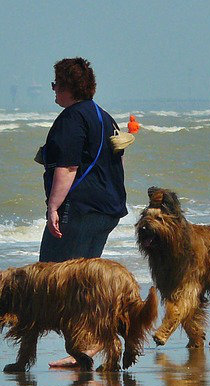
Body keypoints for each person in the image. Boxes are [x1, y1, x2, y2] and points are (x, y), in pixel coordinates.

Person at [40, 58, 129, 368]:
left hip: (79, 210)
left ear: (67, 87)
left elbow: (68, 167)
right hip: (108, 209)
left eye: (55, 85)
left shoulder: (71, 119)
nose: (53, 91)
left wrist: (53, 207)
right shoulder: (105, 118)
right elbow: (117, 162)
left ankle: (85, 346)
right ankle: (94, 341)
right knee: (86, 279)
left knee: (54, 278)